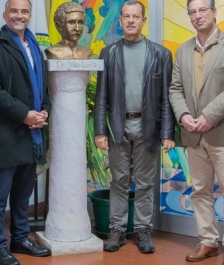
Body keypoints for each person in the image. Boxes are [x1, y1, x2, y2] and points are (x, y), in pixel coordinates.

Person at [169, 1, 224, 264]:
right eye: (192, 12)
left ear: (214, 12)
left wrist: (209, 116)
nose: (197, 16)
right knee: (200, 191)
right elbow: (175, 89)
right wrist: (183, 116)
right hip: (194, 134)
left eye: (202, 10)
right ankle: (207, 242)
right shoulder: (182, 51)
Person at [94, 0, 175, 254]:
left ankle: (142, 230)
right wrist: (100, 130)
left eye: (135, 16)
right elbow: (101, 97)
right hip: (118, 124)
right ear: (120, 21)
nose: (130, 21)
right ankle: (117, 230)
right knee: (118, 180)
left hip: (148, 126)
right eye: (126, 17)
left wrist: (167, 133)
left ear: (143, 20)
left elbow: (166, 98)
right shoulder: (108, 53)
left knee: (145, 182)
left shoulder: (161, 54)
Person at [0, 0, 51, 264]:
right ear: (5, 14)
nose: (20, 16)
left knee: (22, 194)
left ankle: (19, 239)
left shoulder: (37, 48)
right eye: (14, 11)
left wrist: (44, 112)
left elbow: (43, 89)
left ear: (30, 15)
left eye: (25, 11)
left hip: (32, 134)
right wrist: (24, 115)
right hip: (6, 133)